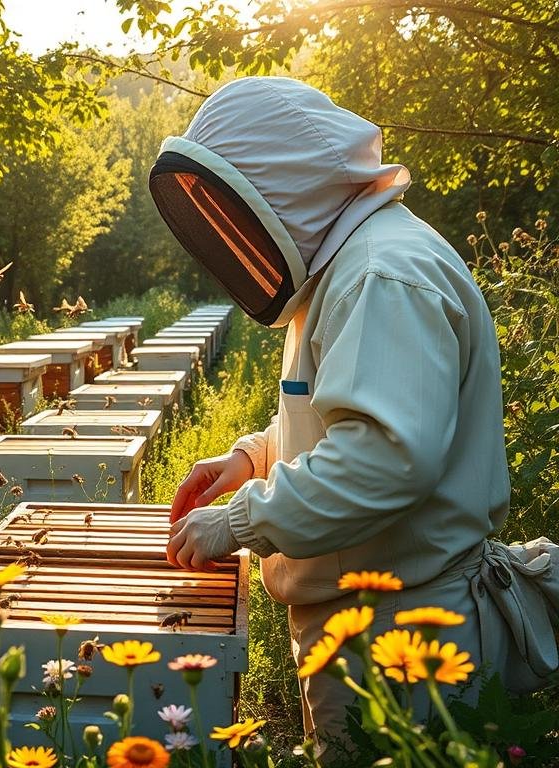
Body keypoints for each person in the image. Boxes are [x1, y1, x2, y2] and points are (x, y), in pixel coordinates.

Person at [149, 77, 523, 758]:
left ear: (282, 186)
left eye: (240, 213)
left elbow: (383, 459)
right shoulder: (351, 266)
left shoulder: (382, 276)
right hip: (370, 618)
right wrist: (252, 458)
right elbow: (338, 416)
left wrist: (238, 521)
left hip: (406, 633)